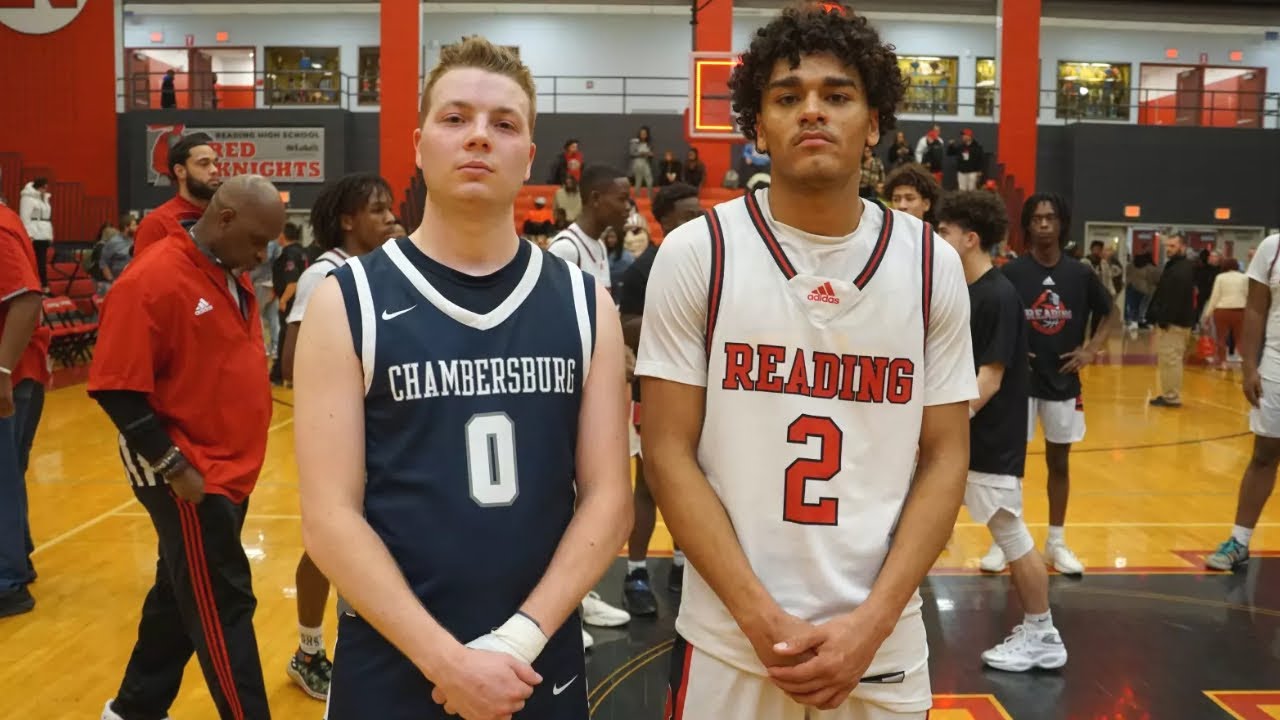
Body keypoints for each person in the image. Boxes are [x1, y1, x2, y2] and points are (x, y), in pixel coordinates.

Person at [637, 5, 976, 718]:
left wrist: (871, 625)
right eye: (788, 96)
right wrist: (760, 619)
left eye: (837, 95)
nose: (812, 111)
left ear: (874, 123)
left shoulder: (930, 265)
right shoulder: (699, 253)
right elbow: (665, 451)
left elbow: (947, 456)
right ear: (758, 127)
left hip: (880, 647)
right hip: (731, 641)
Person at [293, 37, 633, 720]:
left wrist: (515, 642)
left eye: (503, 123)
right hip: (391, 659)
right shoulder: (346, 299)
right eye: (455, 118)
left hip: (534, 660)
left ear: (528, 157)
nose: (479, 136)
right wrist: (447, 662)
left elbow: (609, 499)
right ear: (419, 146)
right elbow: (329, 517)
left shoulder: (583, 301)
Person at [90, 175, 284, 720]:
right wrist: (174, 466)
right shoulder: (151, 279)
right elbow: (116, 387)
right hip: (190, 474)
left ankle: (133, 710)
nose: (262, 255)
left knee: (180, 594)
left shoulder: (227, 269)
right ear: (224, 219)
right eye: (257, 241)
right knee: (223, 603)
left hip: (228, 467)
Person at [935, 191, 1067, 673]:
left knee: (1010, 533)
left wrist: (938, 427)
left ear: (970, 239)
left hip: (990, 440)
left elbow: (988, 380)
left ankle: (1042, 633)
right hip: (965, 439)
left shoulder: (997, 295)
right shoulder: (967, 290)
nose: (937, 239)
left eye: (944, 232)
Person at [278, 172, 396, 701]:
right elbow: (290, 362)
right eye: (377, 210)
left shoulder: (380, 270)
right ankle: (309, 652)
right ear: (348, 220)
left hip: (382, 430)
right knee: (329, 544)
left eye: (390, 208)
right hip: (339, 433)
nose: (390, 218)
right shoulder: (323, 275)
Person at [987, 193, 1113, 576]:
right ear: (1027, 225)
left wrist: (1091, 349)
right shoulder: (1011, 272)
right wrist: (1009, 348)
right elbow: (992, 316)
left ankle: (1055, 542)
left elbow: (1110, 313)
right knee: (1010, 465)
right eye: (1036, 218)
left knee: (1059, 462)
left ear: (1062, 224)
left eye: (1050, 218)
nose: (1043, 224)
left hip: (1063, 381)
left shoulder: (1080, 273)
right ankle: (1005, 541)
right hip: (1019, 385)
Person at [617, 182, 702, 617]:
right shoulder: (644, 269)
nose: (698, 220)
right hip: (652, 389)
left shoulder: (708, 261)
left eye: (699, 213)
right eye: (688, 215)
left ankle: (683, 563)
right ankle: (635, 572)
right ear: (664, 219)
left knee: (695, 479)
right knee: (650, 484)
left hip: (698, 389)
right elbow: (625, 323)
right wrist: (672, 323)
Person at [1206, 232, 1280, 571]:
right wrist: (1249, 366)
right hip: (1276, 364)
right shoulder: (1272, 248)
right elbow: (1255, 308)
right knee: (1264, 454)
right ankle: (1239, 540)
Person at [0, 202, 51, 618]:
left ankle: (6, 582)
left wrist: (2, 371)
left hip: (12, 375)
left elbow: (26, 298)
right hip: (18, 372)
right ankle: (18, 558)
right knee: (8, 475)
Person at [547, 164, 631, 296]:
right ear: (596, 198)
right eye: (622, 199)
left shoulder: (600, 245)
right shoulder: (566, 248)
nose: (628, 207)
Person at [134, 133, 221, 256]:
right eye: (204, 163)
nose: (214, 170)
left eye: (215, 163)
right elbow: (145, 268)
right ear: (180, 171)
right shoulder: (157, 223)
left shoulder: (225, 217)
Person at [1145, 232, 1197, 408]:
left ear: (1182, 247)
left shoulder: (1182, 269)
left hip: (1175, 324)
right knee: (1167, 360)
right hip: (1172, 322)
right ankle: (1169, 393)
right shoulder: (1175, 266)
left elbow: (1175, 298)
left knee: (1171, 360)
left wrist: (1164, 320)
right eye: (1167, 246)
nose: (1168, 249)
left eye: (1172, 246)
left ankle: (1172, 396)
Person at [269, 223, 308, 384]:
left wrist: (284, 300)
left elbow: (292, 282)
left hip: (291, 303)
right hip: (303, 301)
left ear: (283, 236)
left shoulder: (289, 255)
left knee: (285, 337)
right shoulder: (303, 252)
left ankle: (280, 374)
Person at [1202, 258, 1247, 368]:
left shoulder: (1220, 277)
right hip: (1240, 310)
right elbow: (1248, 295)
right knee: (1240, 338)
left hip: (1222, 310)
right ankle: (1243, 361)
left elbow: (1215, 296)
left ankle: (1223, 362)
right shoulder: (1244, 277)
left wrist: (1207, 314)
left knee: (1221, 337)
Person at [18, 177, 53, 289]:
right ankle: (40, 286)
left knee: (42, 262)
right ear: (38, 187)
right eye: (43, 188)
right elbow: (25, 217)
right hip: (34, 234)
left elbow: (46, 218)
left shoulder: (45, 199)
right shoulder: (27, 198)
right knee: (36, 262)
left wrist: (49, 235)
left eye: (46, 188)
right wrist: (29, 235)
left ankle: (43, 286)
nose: (45, 190)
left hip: (44, 234)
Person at [629, 126, 655, 199]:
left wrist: (650, 155)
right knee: (638, 181)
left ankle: (650, 197)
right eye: (642, 133)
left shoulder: (648, 143)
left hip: (645, 162)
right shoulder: (634, 142)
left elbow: (649, 154)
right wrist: (642, 153)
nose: (643, 135)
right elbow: (631, 153)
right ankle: (637, 198)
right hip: (637, 163)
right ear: (639, 134)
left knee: (650, 180)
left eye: (645, 133)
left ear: (647, 135)